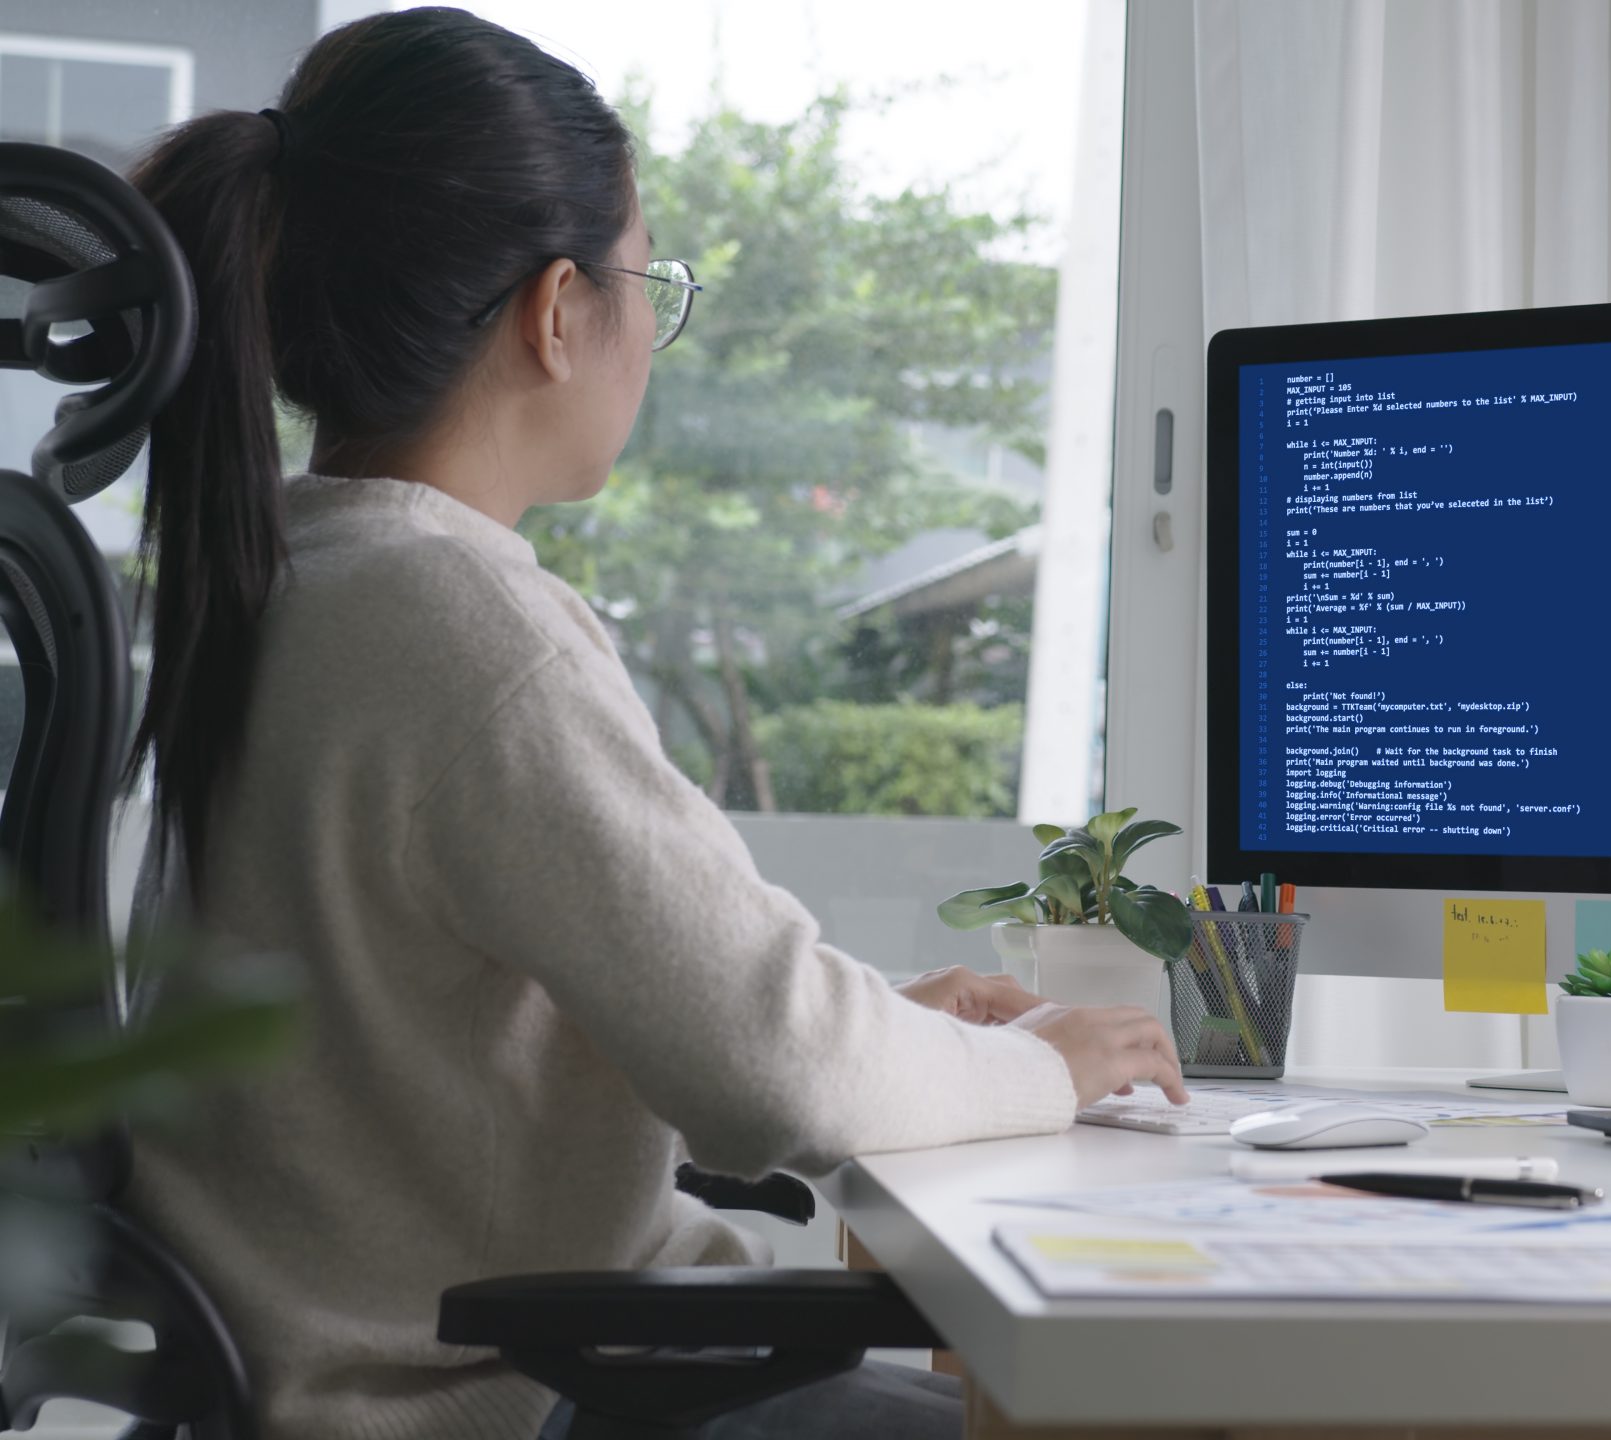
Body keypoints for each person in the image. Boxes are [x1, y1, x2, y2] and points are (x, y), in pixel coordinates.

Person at [116, 10, 1186, 1439]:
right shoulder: (460, 624)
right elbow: (778, 1075)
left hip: (324, 1374)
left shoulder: (298, 571)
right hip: (481, 1398)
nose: (649, 331)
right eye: (645, 282)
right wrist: (1046, 1068)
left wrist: (882, 1028)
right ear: (557, 311)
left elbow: (585, 1015)